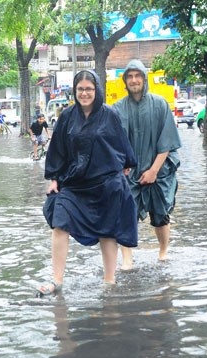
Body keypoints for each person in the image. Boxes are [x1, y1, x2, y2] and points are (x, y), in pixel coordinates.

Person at [38, 70, 138, 296]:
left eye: (89, 89)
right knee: (60, 221)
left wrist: (126, 164)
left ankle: (109, 281)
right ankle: (56, 279)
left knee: (108, 231)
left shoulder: (109, 115)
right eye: (80, 89)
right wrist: (54, 179)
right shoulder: (66, 116)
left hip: (106, 182)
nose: (84, 93)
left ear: (97, 90)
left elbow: (122, 144)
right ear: (74, 91)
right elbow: (58, 150)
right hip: (75, 183)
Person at [113, 59, 181, 269]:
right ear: (125, 81)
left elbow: (167, 141)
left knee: (161, 215)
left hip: (158, 171)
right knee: (125, 215)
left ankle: (163, 252)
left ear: (144, 78)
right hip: (128, 174)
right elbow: (112, 143)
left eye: (137, 76)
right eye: (130, 77)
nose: (134, 80)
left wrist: (153, 170)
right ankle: (127, 259)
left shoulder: (160, 104)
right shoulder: (117, 109)